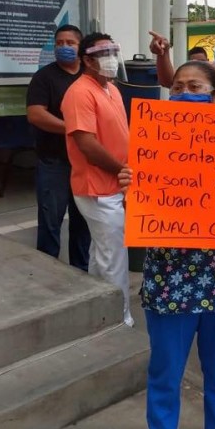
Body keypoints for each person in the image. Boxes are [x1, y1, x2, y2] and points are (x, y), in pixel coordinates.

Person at [121, 61, 215, 429]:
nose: (184, 94)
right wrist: (130, 188)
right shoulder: (150, 144)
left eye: (195, 87)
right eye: (178, 87)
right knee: (164, 377)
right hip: (170, 281)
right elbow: (139, 211)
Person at [60, 32, 133, 327]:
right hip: (98, 188)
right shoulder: (79, 93)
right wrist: (121, 169)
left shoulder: (111, 89)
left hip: (115, 183)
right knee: (114, 257)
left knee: (101, 252)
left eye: (113, 53)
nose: (111, 60)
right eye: (104, 55)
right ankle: (120, 318)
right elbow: (87, 144)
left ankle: (96, 308)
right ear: (87, 60)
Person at [26, 24, 91, 271]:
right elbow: (36, 114)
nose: (63, 47)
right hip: (54, 162)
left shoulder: (90, 76)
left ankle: (80, 272)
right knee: (50, 222)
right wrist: (74, 129)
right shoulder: (44, 77)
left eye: (69, 43)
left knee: (82, 222)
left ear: (80, 47)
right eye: (59, 43)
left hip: (85, 162)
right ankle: (49, 275)